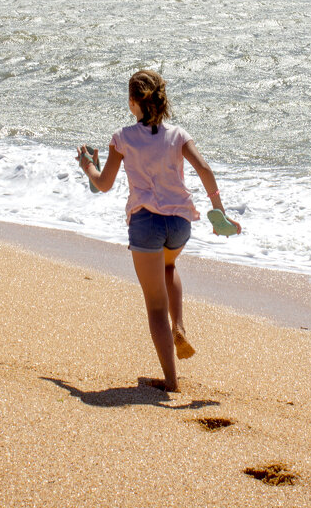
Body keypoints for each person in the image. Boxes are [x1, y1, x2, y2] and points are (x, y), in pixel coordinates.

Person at [76, 69, 241, 393]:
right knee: (169, 265)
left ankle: (170, 381)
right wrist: (218, 211)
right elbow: (205, 170)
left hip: (146, 223)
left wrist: (88, 166)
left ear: (133, 102)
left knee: (154, 305)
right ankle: (178, 326)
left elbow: (104, 184)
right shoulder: (178, 135)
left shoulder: (122, 137)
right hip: (180, 223)